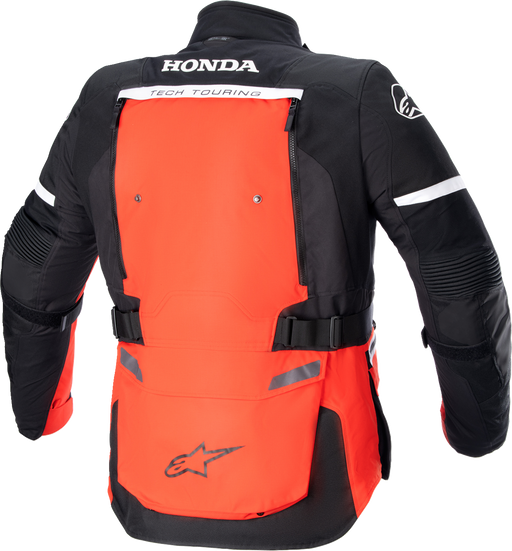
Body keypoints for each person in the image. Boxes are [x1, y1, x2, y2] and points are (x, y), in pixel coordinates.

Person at [1, 1, 510, 548]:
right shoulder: (356, 88)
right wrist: (476, 431)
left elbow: (32, 264)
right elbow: (456, 266)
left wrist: (38, 414)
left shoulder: (107, 92)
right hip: (325, 483)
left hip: (145, 481)